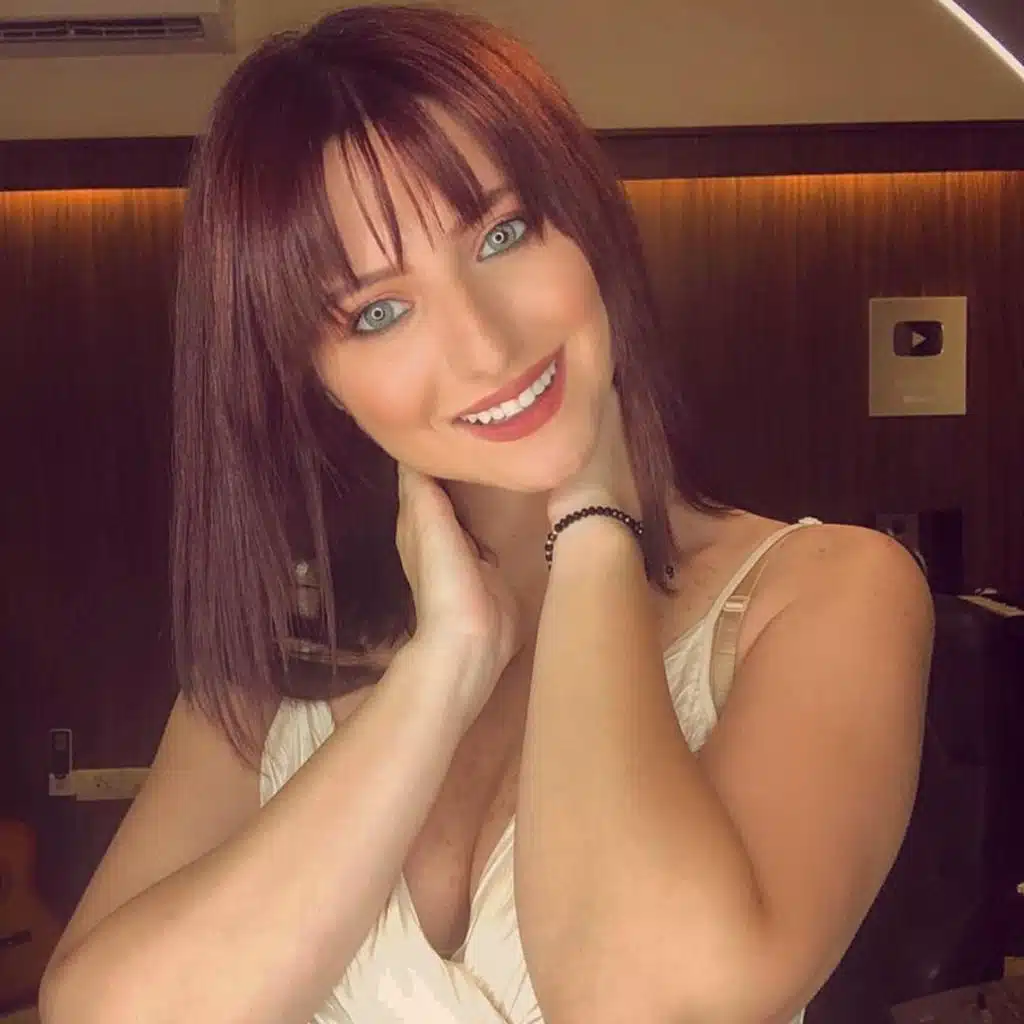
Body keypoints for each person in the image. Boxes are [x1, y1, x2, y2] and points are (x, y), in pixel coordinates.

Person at [38, 6, 934, 1023]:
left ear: (587, 231)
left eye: (502, 235)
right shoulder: (278, 662)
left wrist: (593, 522)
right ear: (315, 379)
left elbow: (649, 1001)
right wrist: (445, 665)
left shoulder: (826, 595)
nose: (483, 343)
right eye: (378, 311)